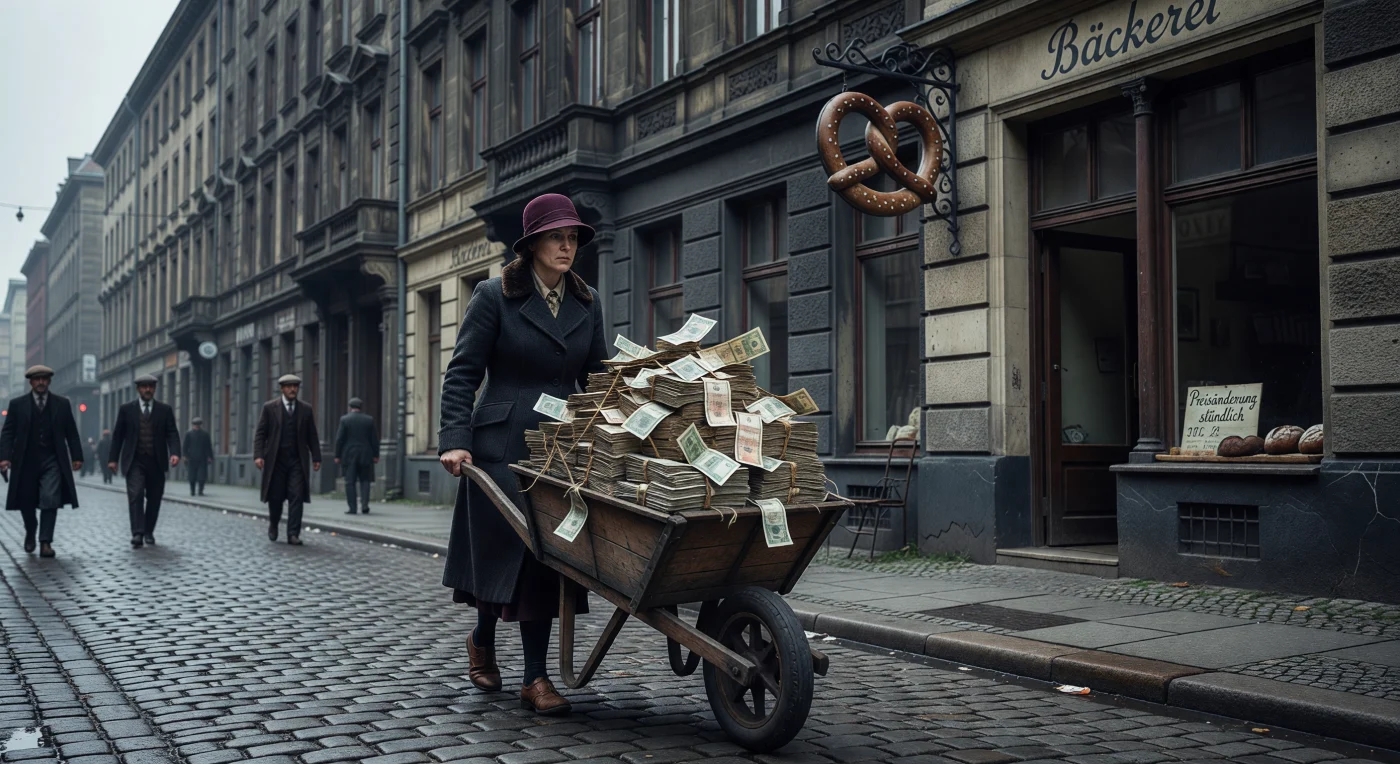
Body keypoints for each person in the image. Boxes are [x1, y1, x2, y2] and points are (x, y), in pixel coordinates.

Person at [438, 193, 607, 716]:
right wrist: (454, 438)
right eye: (556, 236)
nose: (566, 245)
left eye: (573, 236)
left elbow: (598, 377)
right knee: (504, 559)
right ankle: (482, 638)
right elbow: (463, 372)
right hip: (500, 446)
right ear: (532, 244)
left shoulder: (588, 301)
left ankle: (535, 678)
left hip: (561, 449)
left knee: (547, 559)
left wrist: (620, 429)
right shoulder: (494, 296)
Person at [0, 366, 84, 558]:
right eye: (36, 379)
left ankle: (45, 542)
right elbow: (8, 433)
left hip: (52, 460)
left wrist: (77, 456)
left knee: (50, 499)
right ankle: (31, 530)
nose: (40, 382)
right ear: (30, 382)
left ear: (49, 381)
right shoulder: (17, 405)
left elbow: (71, 431)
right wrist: (4, 457)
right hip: (25, 461)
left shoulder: (62, 404)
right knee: (26, 502)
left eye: (44, 379)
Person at [108, 375, 181, 547]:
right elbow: (118, 435)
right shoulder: (127, 410)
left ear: (155, 389)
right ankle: (138, 533)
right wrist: (113, 459)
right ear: (138, 389)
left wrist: (175, 452)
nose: (147, 390)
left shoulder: (165, 410)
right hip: (134, 460)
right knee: (136, 494)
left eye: (150, 387)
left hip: (157, 461)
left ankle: (149, 531)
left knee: (155, 498)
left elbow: (172, 433)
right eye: (144, 387)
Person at [252, 374, 321, 545]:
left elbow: (312, 434)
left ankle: (293, 534)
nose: (292, 389)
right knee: (275, 497)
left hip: (297, 460)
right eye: (289, 386)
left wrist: (316, 456)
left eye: (295, 386)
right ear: (282, 388)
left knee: (296, 496)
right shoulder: (270, 408)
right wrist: (259, 455)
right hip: (276, 461)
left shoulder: (305, 409)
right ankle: (274, 524)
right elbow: (261, 433)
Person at [333, 398, 378, 515]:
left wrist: (337, 455)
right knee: (365, 480)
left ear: (350, 407)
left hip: (349, 455)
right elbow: (374, 439)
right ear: (361, 407)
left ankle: (352, 508)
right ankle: (364, 505)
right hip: (365, 454)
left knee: (350, 482)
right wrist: (375, 455)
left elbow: (339, 439)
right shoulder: (369, 420)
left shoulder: (344, 420)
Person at [183, 417, 214, 496]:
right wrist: (185, 456)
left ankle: (200, 490)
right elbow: (185, 446)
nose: (196, 426)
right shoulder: (189, 434)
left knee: (202, 476)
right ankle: (192, 491)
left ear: (200, 425)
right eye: (195, 425)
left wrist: (210, 456)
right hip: (191, 458)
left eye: (198, 425)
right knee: (192, 476)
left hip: (202, 458)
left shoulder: (205, 434)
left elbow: (208, 446)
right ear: (193, 425)